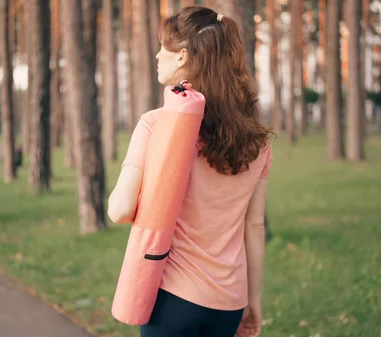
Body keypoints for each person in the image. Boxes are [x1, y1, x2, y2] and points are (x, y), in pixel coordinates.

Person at [107, 5, 274, 337]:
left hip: (172, 299)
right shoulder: (256, 141)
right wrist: (253, 301)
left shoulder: (156, 125)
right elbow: (254, 226)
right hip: (229, 303)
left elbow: (120, 210)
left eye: (162, 47)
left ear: (182, 56)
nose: (157, 55)